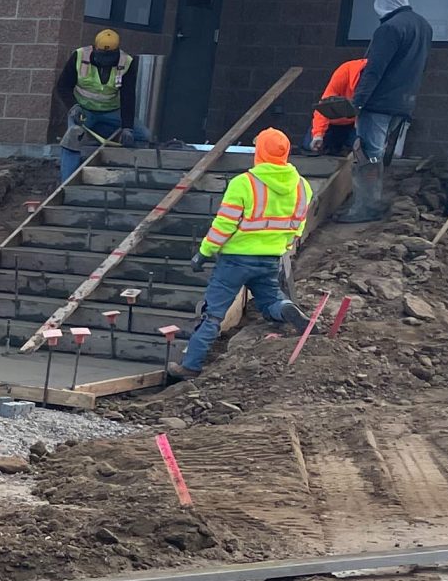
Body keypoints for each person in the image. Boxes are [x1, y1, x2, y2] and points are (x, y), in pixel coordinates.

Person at [169, 128, 311, 379]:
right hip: (270, 258)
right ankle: (285, 307)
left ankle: (190, 366)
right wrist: (281, 247)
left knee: (213, 313)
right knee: (269, 300)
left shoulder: (244, 183)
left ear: (259, 153)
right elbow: (297, 226)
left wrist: (204, 252)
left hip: (235, 260)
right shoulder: (302, 186)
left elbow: (224, 224)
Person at [338, 0, 429, 222]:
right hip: (403, 102)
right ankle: (373, 202)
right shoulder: (423, 26)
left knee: (368, 154)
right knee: (379, 153)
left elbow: (374, 69)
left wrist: (358, 102)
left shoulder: (389, 29)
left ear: (383, 3)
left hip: (379, 103)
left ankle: (366, 207)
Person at [52, 28, 150, 178]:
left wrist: (127, 127)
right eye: (103, 57)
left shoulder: (126, 62)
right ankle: (67, 180)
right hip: (84, 111)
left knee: (142, 135)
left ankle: (126, 168)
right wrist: (73, 107)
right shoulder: (79, 56)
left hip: (111, 112)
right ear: (94, 49)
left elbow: (128, 96)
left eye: (110, 58)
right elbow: (62, 86)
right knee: (73, 137)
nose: (106, 62)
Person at [309, 55, 365, 158]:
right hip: (332, 123)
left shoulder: (380, 77)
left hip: (355, 126)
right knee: (311, 149)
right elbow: (324, 105)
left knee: (359, 155)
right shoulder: (345, 71)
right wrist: (318, 134)